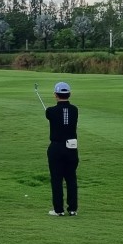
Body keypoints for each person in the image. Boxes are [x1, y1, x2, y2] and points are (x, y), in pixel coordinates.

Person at [44, 81, 79, 217]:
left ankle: (58, 210)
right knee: (71, 178)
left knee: (56, 179)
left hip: (56, 148)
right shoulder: (75, 110)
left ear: (55, 95)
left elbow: (49, 115)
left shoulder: (50, 111)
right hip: (72, 148)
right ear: (69, 94)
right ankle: (73, 209)